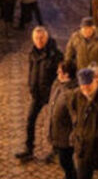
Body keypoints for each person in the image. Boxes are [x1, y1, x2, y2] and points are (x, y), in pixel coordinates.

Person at [16, 26, 63, 161]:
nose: (39, 41)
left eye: (41, 38)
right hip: (37, 94)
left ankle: (56, 150)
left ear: (46, 38)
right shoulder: (33, 53)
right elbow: (32, 71)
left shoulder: (56, 55)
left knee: (54, 123)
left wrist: (56, 92)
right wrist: (31, 86)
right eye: (36, 38)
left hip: (51, 94)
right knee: (30, 120)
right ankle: (28, 148)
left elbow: (61, 76)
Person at [48, 60, 79, 179]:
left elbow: (75, 118)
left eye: (60, 71)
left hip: (65, 139)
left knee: (66, 162)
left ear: (66, 75)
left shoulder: (72, 94)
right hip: (57, 134)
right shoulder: (58, 85)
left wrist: (72, 137)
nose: (57, 72)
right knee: (64, 163)